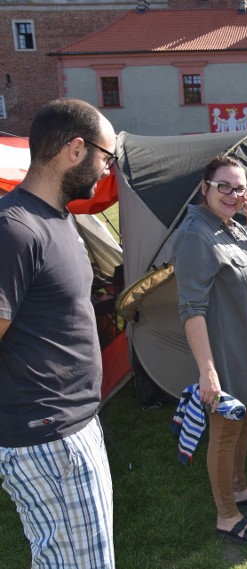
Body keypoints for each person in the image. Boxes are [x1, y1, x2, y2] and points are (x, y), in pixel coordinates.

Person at [0, 98, 116, 566]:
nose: (105, 171)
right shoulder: (14, 229)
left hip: (74, 428)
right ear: (75, 148)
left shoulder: (61, 218)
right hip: (46, 438)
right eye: (105, 158)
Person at [173, 154, 247, 543]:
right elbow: (191, 309)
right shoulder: (195, 235)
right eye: (225, 187)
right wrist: (207, 371)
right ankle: (227, 514)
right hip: (224, 355)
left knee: (245, 423)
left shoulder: (231, 226)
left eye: (240, 188)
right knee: (225, 434)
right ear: (205, 187)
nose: (233, 195)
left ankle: (239, 487)